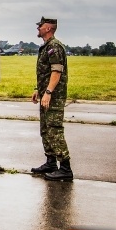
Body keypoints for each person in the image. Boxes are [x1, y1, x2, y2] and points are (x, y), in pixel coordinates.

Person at [31, 17, 73, 181]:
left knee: (54, 130)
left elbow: (56, 71)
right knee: (45, 129)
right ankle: (50, 162)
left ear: (48, 28)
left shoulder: (54, 47)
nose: (38, 29)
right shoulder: (46, 47)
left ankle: (65, 168)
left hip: (53, 97)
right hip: (45, 95)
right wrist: (38, 90)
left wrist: (48, 92)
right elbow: (45, 72)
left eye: (40, 26)